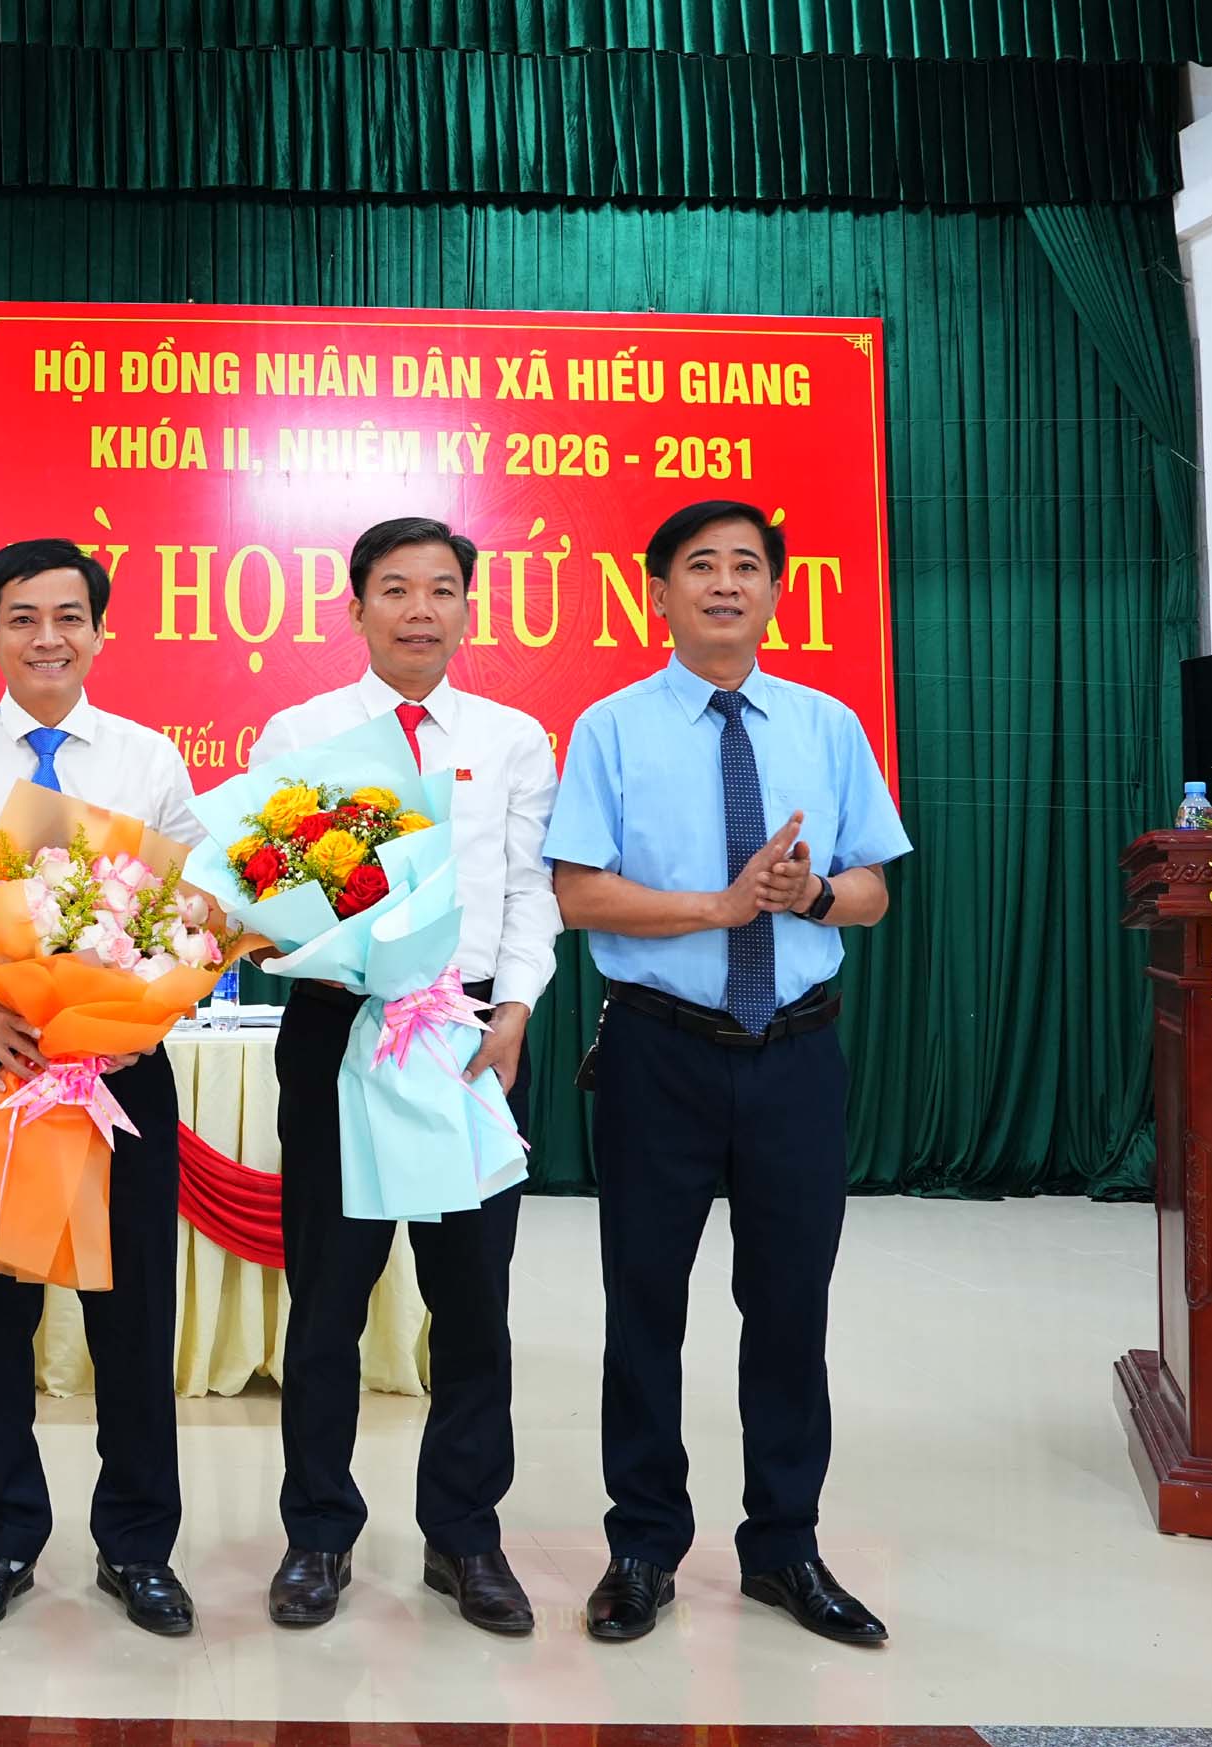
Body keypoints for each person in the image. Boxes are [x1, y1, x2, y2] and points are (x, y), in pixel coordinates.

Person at [545, 499, 910, 1648]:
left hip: (796, 1052)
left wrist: (810, 893)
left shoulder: (827, 725)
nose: (724, 583)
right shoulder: (610, 728)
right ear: (657, 593)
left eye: (746, 565)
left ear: (775, 592)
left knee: (791, 1307)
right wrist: (720, 904)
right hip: (658, 1052)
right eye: (699, 565)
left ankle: (785, 1547)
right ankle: (642, 1548)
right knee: (644, 1306)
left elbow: (873, 889)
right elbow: (579, 894)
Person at [0, 537, 208, 1638]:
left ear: (101, 631)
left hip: (121, 1073)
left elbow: (196, 906)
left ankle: (139, 1546)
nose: (47, 637)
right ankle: (2, 1537)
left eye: (69, 616)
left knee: (133, 1315)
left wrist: (144, 1011)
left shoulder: (149, 759)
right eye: (22, 617)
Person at [250, 515, 559, 1635]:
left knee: (473, 1303)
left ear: (468, 607)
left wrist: (514, 1009)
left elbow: (529, 889)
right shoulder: (302, 731)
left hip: (472, 1035)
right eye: (395, 589)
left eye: (441, 589)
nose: (420, 610)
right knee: (328, 1300)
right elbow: (267, 887)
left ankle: (465, 1535)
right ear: (356, 607)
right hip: (339, 1028)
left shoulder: (514, 737)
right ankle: (318, 1533)